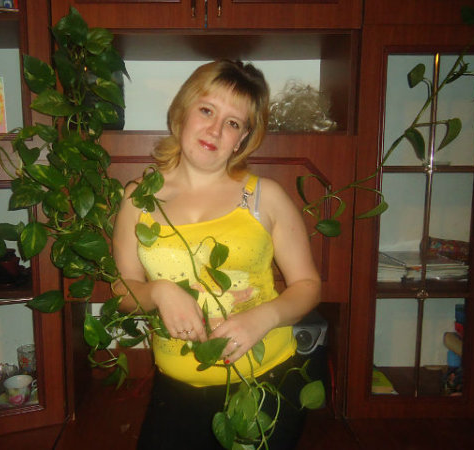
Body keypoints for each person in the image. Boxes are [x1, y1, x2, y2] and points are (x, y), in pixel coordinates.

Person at [112, 60, 321, 449]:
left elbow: (308, 285)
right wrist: (158, 291)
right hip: (175, 389)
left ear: (242, 140)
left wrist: (262, 318)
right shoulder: (138, 198)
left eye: (233, 122)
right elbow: (124, 290)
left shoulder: (266, 197)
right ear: (182, 112)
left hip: (265, 387)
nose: (215, 130)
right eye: (207, 110)